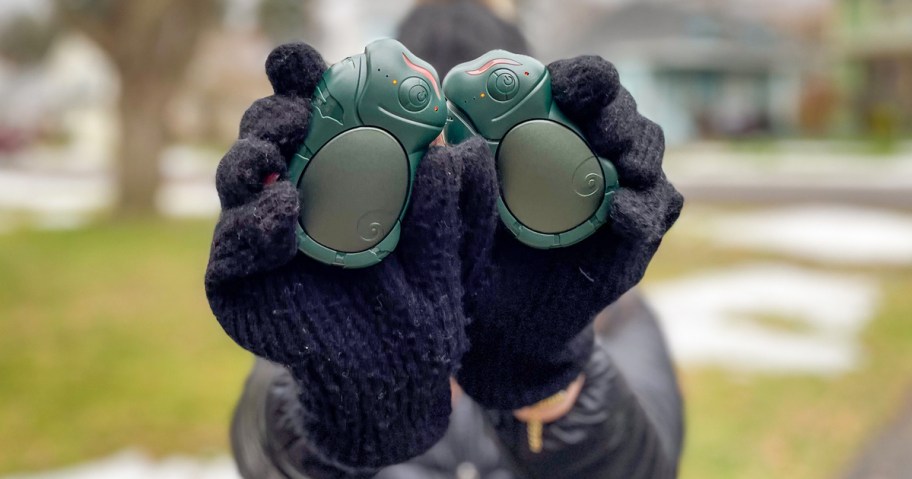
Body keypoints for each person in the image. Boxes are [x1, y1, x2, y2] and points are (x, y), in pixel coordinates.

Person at [205, 2, 684, 478]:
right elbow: (263, 453)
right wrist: (354, 402)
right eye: (426, 161)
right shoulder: (323, 301)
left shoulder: (610, 303)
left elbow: (649, 466)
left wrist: (542, 374)